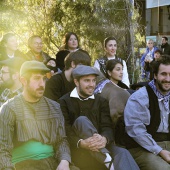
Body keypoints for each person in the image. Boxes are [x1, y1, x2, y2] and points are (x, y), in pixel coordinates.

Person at [0, 60, 78, 170]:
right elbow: (3, 149)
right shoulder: (9, 108)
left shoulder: (54, 107)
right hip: (24, 164)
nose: (42, 84)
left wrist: (64, 161)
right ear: (23, 81)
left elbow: (61, 140)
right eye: (36, 79)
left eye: (44, 79)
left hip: (53, 161)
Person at [59, 65, 140, 170]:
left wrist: (104, 139)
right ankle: (107, 159)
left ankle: (107, 160)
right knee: (81, 120)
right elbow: (66, 131)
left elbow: (107, 126)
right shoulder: (64, 102)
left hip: (102, 145)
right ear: (76, 82)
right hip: (79, 149)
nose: (92, 85)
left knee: (122, 153)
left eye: (93, 81)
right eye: (87, 81)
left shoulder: (101, 101)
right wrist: (81, 143)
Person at [124, 56, 170, 170]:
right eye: (163, 74)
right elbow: (136, 130)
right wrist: (159, 151)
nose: (168, 79)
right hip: (142, 147)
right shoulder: (140, 97)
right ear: (155, 75)